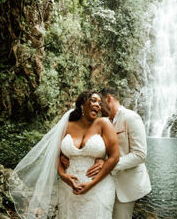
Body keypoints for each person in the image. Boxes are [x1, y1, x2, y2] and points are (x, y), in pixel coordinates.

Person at [9, 91, 119, 219]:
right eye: (93, 100)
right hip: (68, 189)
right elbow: (55, 153)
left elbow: (114, 157)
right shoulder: (67, 125)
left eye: (100, 103)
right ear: (82, 103)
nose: (98, 105)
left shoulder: (104, 124)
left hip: (99, 187)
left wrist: (92, 183)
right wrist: (62, 175)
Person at [87, 87, 152, 219]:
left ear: (109, 98)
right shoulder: (102, 122)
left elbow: (140, 154)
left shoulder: (131, 117)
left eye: (100, 103)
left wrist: (108, 165)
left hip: (126, 185)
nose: (99, 107)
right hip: (105, 183)